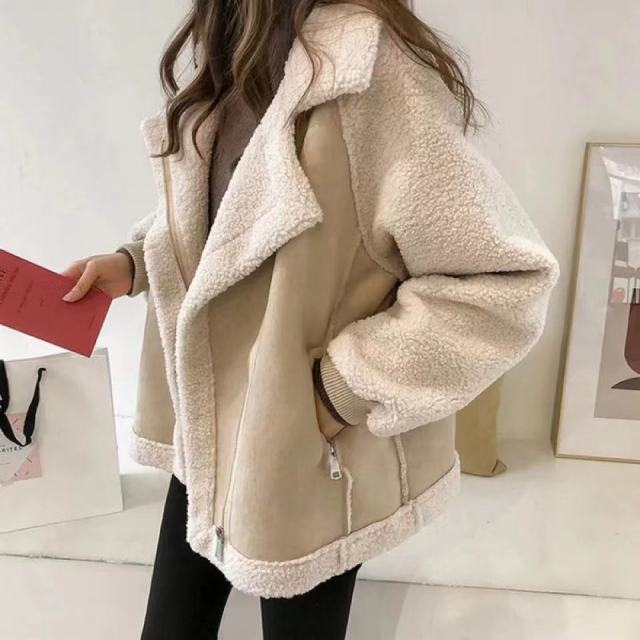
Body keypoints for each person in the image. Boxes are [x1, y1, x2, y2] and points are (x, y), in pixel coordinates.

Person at [62, 1, 560, 638]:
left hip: (307, 452)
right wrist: (135, 260)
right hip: (212, 434)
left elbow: (505, 282)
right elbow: (234, 218)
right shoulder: (240, 43)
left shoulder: (371, 70)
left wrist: (336, 393)